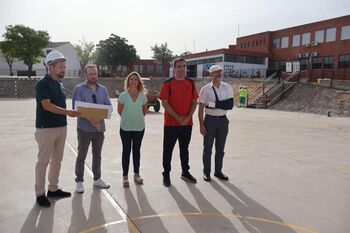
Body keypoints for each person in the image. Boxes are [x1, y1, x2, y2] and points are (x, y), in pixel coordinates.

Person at [34, 50, 80, 207]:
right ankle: (40, 194)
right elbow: (46, 105)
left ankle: (53, 189)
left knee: (57, 161)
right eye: (61, 66)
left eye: (64, 66)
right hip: (46, 128)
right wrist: (68, 112)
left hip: (61, 127)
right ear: (51, 66)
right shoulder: (43, 84)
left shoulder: (59, 84)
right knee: (43, 162)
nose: (64, 69)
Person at [72, 64, 112, 193]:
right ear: (85, 74)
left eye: (95, 73)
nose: (93, 76)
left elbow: (108, 107)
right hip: (84, 129)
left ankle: (97, 179)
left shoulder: (103, 90)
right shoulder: (79, 89)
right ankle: (79, 181)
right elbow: (77, 108)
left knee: (97, 155)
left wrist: (98, 120)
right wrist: (92, 121)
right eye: (90, 74)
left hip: (99, 129)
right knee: (81, 155)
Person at [160, 57, 199, 187]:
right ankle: (166, 174)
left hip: (187, 124)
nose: (182, 69)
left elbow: (195, 102)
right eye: (179, 66)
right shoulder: (168, 84)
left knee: (184, 149)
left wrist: (188, 117)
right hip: (171, 124)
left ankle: (185, 172)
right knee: (168, 150)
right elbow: (164, 102)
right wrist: (176, 116)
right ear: (174, 68)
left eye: (184, 66)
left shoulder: (191, 83)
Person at [198, 65, 233, 182]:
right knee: (207, 148)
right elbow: (201, 108)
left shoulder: (227, 87)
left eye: (219, 71)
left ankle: (218, 171)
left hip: (223, 120)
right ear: (211, 74)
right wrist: (201, 125)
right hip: (210, 120)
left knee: (220, 149)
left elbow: (229, 105)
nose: (218, 74)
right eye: (216, 72)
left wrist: (213, 104)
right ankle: (206, 173)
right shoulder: (205, 89)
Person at [117, 72, 148, 187]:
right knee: (126, 151)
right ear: (128, 81)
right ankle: (125, 176)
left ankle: (136, 174)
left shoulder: (143, 96)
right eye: (131, 79)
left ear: (138, 81)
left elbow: (144, 111)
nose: (133, 81)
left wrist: (136, 119)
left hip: (139, 127)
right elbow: (120, 111)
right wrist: (128, 118)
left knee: (136, 151)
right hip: (125, 128)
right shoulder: (123, 96)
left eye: (135, 79)